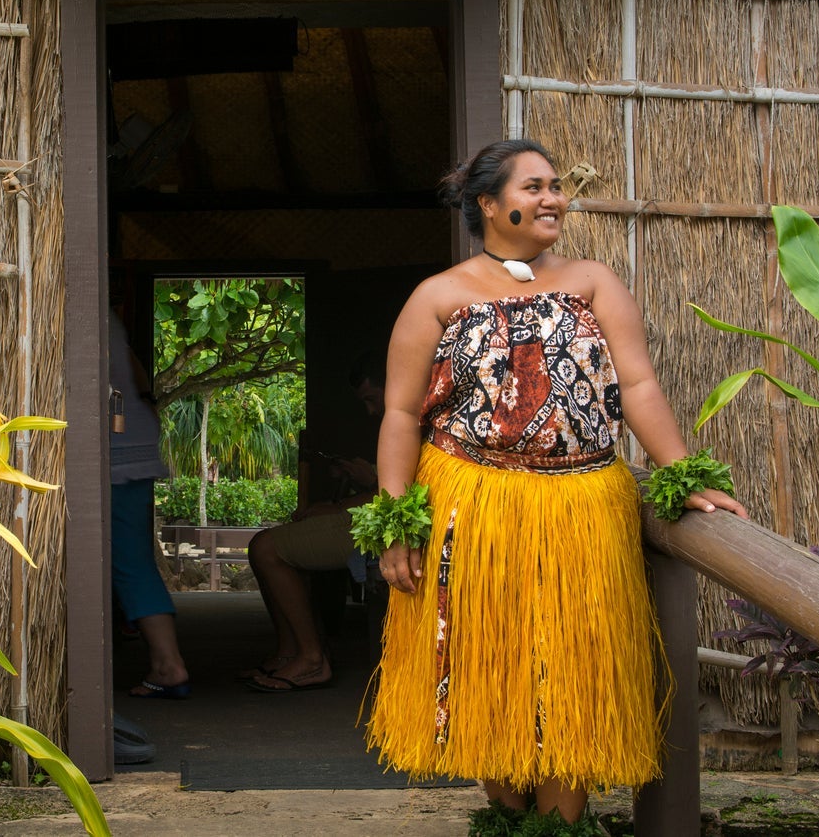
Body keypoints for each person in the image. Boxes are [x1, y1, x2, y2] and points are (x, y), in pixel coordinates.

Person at [363, 138, 747, 829]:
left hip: (583, 504)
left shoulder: (593, 281)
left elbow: (638, 385)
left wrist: (679, 471)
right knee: (489, 669)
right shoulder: (439, 295)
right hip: (472, 503)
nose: (553, 199)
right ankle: (511, 822)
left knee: (568, 673)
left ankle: (562, 827)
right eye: (534, 186)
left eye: (556, 187)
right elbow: (399, 412)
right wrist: (396, 522)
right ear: (489, 202)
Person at [242, 357, 384, 693]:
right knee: (262, 544)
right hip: (369, 510)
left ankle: (312, 659)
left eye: (371, 399)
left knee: (266, 549)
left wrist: (339, 504)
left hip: (384, 525)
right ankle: (289, 652)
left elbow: (397, 496)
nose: (369, 411)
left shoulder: (415, 418)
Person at [109, 310, 191, 699]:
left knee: (129, 563)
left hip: (116, 451)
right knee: (133, 560)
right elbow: (140, 384)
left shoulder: (76, 310)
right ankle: (166, 662)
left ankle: (168, 664)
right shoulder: (110, 321)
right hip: (131, 446)